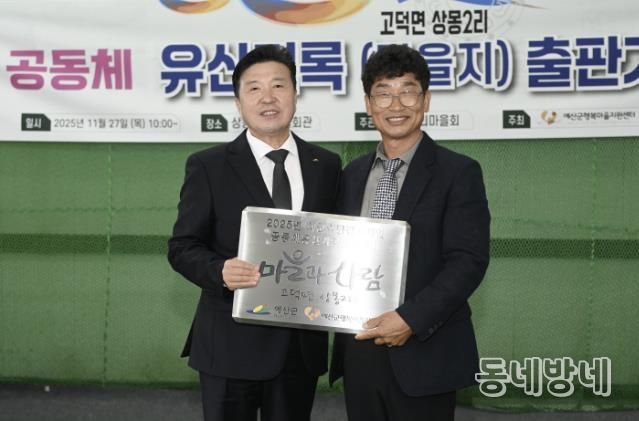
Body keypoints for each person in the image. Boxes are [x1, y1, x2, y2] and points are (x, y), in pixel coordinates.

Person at [168, 44, 341, 421]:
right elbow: (182, 246)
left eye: (278, 86)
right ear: (238, 102)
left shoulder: (326, 165)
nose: (268, 97)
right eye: (254, 88)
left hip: (300, 347)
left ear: (295, 94)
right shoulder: (209, 166)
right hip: (230, 344)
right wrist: (219, 271)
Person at [329, 44, 490, 421]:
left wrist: (410, 319)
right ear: (369, 104)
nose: (396, 104)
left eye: (408, 91)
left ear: (426, 100)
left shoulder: (459, 173)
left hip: (424, 350)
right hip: (360, 349)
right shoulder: (351, 175)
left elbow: (468, 261)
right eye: (384, 93)